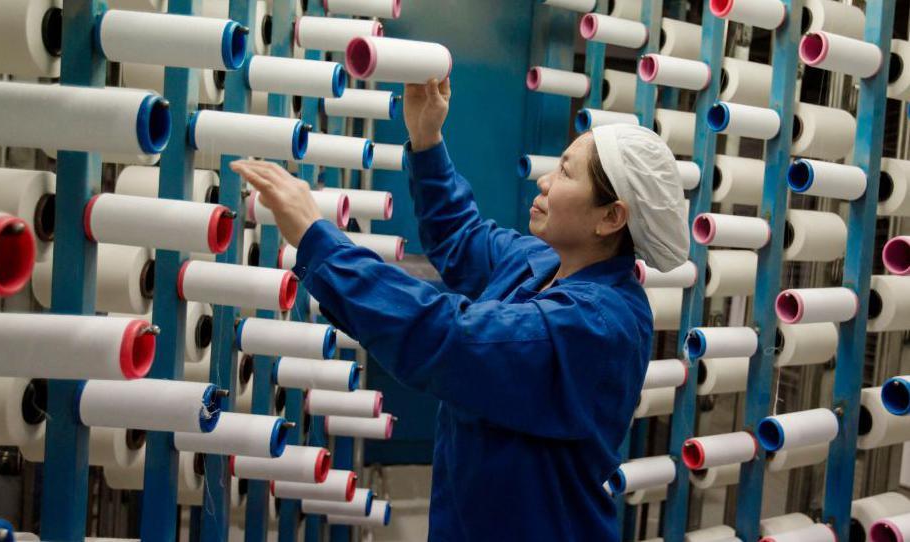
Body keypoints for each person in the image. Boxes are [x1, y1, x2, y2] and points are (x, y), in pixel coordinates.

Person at [231, 77, 689, 541]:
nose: (545, 180)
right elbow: (461, 235)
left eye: (567, 173)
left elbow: (448, 337)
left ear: (611, 217)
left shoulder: (598, 326)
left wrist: (318, 239)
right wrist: (426, 138)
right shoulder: (540, 261)